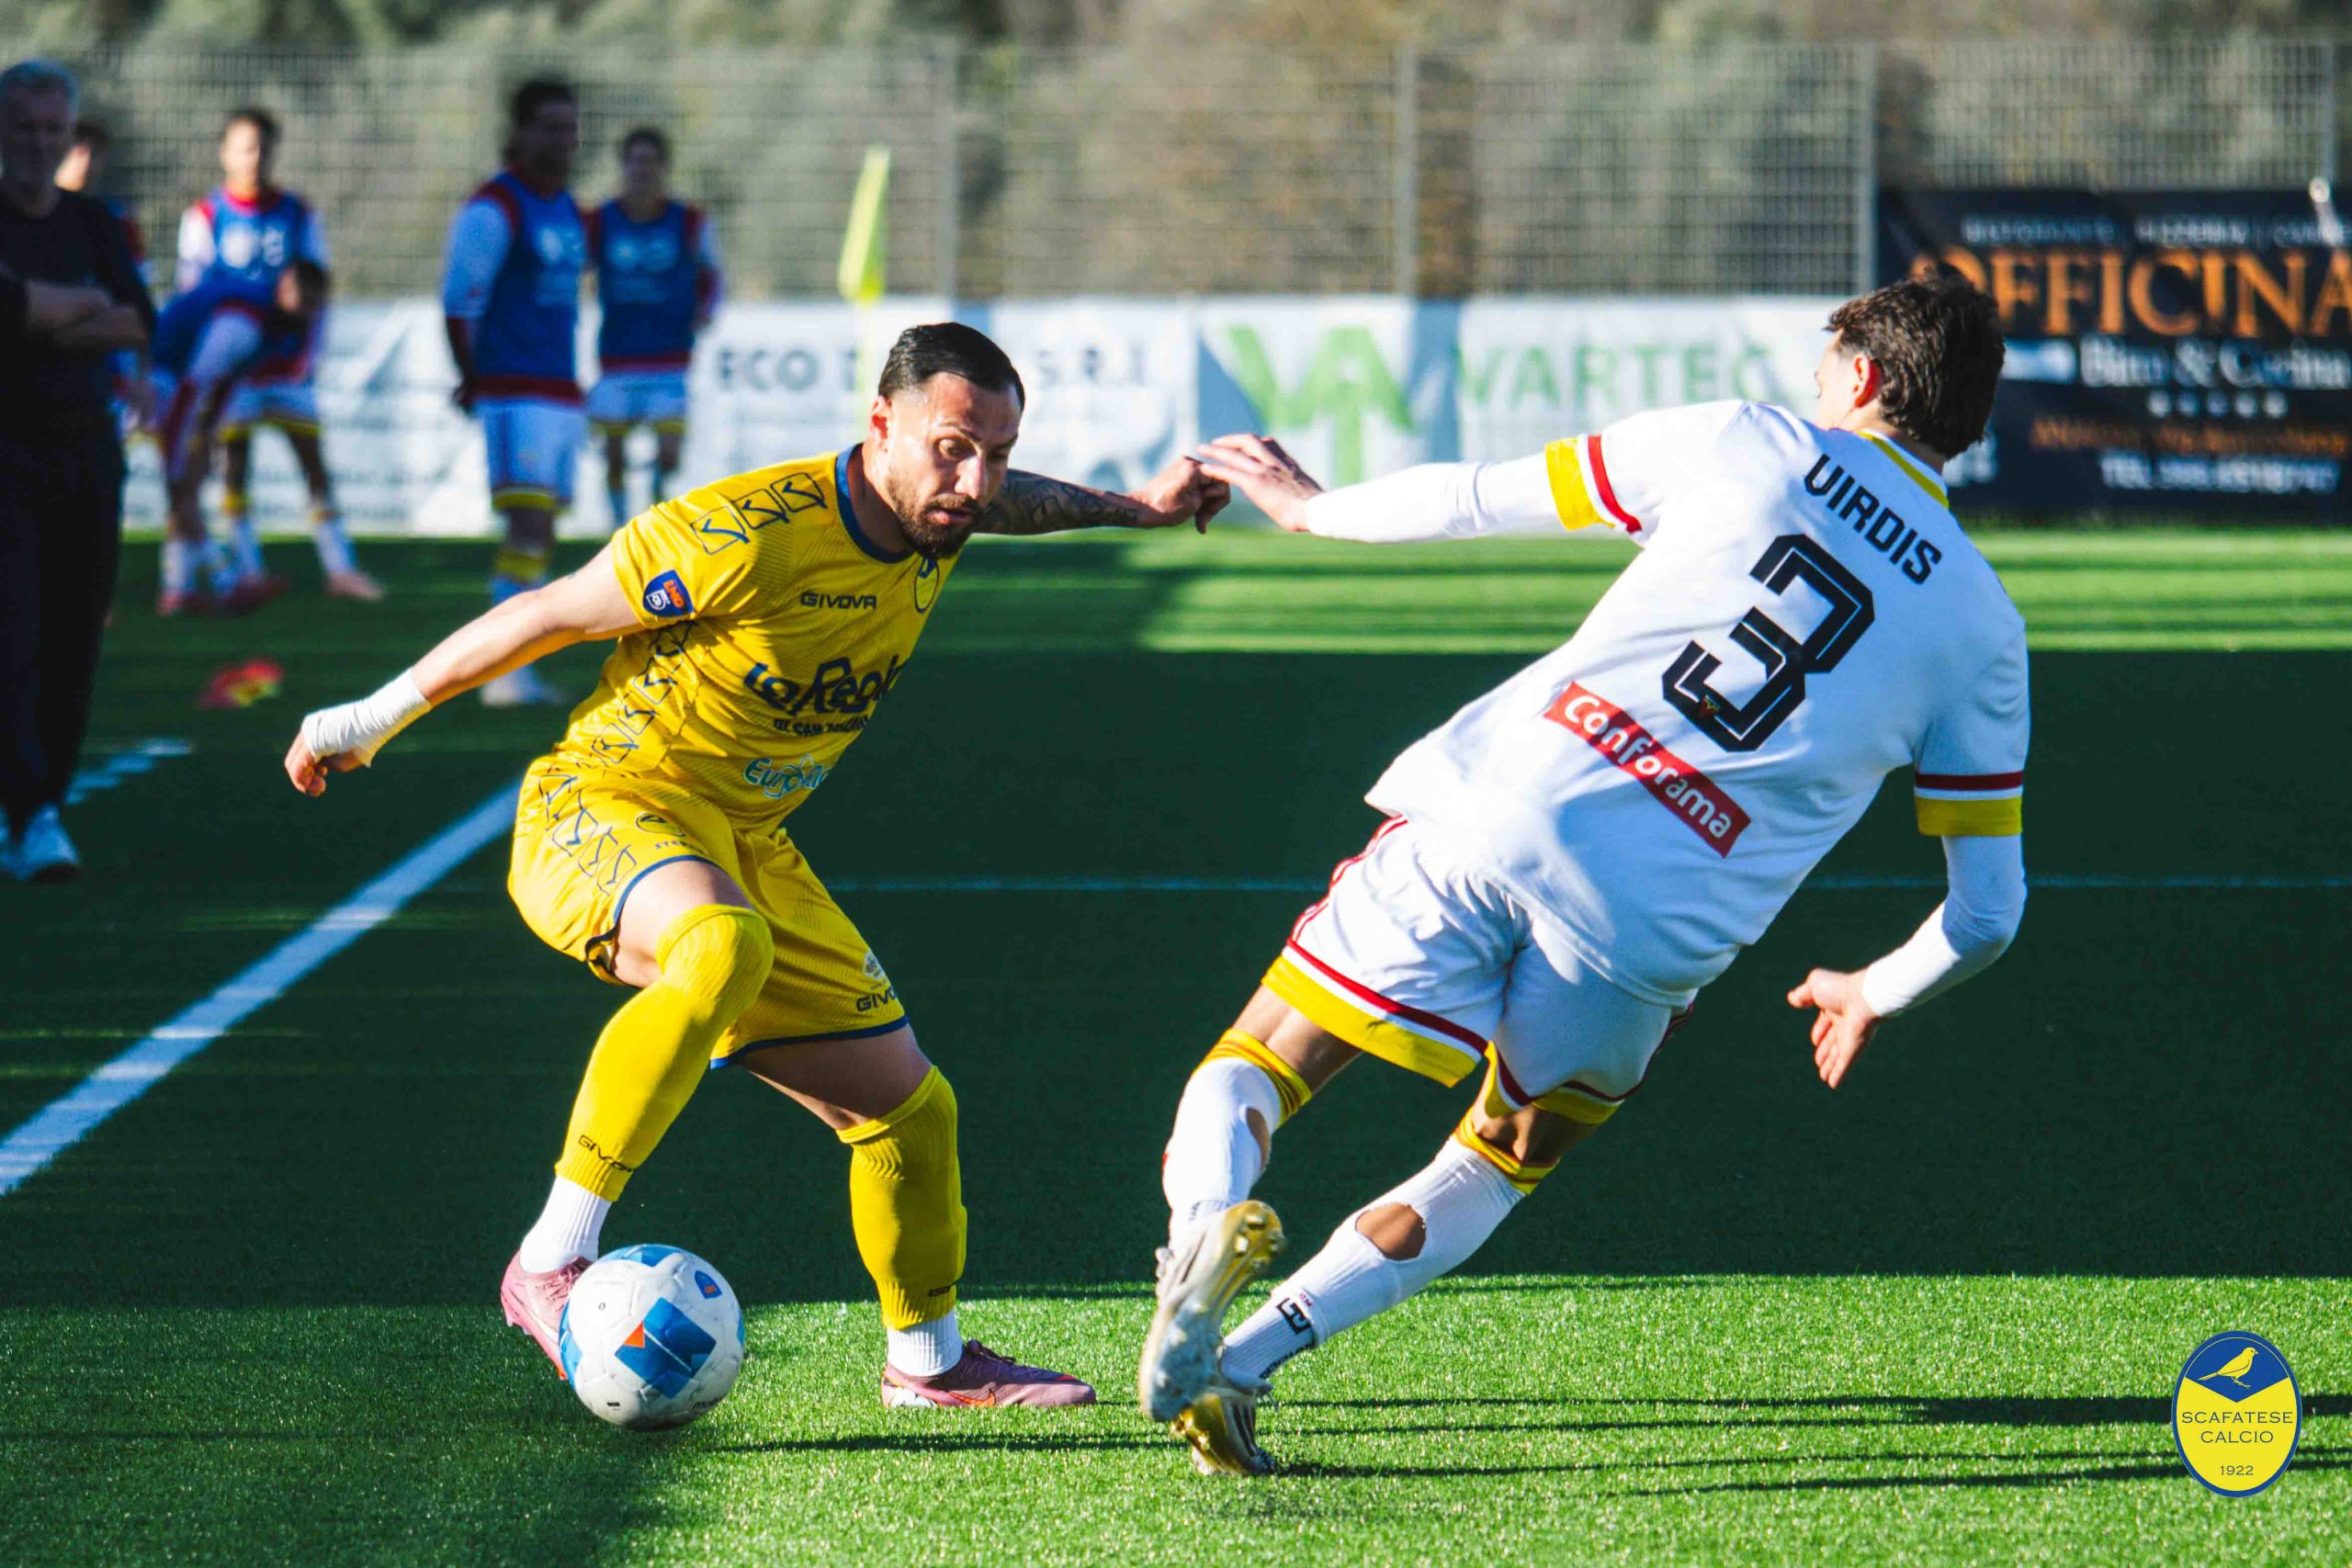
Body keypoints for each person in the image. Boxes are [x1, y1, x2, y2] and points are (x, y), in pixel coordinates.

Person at [1138, 274, 2026, 1475]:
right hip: (1648, 932)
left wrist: (1310, 509)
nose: (1813, 388)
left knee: (1264, 1057)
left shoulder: (1747, 440)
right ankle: (1244, 1363)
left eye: (1826, 369)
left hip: (1501, 811)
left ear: (1864, 375)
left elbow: (1475, 497)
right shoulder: (1983, 628)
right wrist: (1872, 989)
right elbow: (1987, 913)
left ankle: (1203, 1232)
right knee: (1494, 1162)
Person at [285, 322, 1227, 1409]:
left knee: (911, 1113)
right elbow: (548, 615)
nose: (975, 482)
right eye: (953, 449)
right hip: (605, 803)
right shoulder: (744, 532)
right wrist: (367, 718)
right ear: (880, 426)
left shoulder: (941, 512)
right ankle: (550, 1257)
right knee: (721, 944)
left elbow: (1004, 502)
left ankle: (927, 1365)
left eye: (996, 454)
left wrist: (1136, 507)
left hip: (742, 839)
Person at [0, 60, 154, 884]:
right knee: (13, 635)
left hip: (87, 456)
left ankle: (41, 803)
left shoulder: (95, 222)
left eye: (51, 128)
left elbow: (137, 321)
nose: (38, 142)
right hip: (7, 454)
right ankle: (32, 814)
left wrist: (38, 317)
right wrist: (78, 308)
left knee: (73, 642)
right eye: (23, 127)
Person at [175, 107, 378, 603]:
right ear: (225, 153)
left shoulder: (298, 214)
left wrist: (311, 357)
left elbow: (319, 289)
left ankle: (341, 569)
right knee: (233, 467)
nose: (254, 158)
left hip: (287, 369)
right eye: (245, 147)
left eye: (263, 147)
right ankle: (247, 568)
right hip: (234, 375)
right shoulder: (205, 216)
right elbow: (191, 295)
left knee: (314, 466)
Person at [441, 78, 587, 706]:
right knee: (526, 526)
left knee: (542, 532)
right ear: (521, 131)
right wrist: (475, 378)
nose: (562, 139)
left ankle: (515, 669)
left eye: (569, 127)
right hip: (515, 391)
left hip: (558, 389)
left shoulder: (567, 208)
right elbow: (458, 301)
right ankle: (501, 676)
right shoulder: (494, 207)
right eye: (550, 127)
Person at [150, 261, 330, 615]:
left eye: (316, 305)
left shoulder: (272, 324)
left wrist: (205, 435)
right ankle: (226, 583)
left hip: (173, 386)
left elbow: (227, 381)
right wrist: (179, 451)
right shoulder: (243, 323)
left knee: (186, 487)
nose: (310, 314)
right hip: (150, 380)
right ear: (284, 288)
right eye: (305, 302)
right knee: (181, 485)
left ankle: (178, 590)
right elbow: (193, 384)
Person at [586, 127, 722, 532]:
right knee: (613, 453)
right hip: (616, 357)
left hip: (669, 358)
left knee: (669, 454)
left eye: (650, 162)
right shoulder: (600, 220)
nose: (642, 170)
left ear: (663, 168)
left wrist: (705, 312)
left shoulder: (689, 220)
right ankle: (616, 526)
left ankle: (655, 512)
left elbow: (712, 273)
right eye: (635, 161)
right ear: (623, 166)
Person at [54, 118, 152, 434]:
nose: (84, 161)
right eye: (76, 150)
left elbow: (141, 308)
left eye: (93, 152)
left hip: (106, 378)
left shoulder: (117, 224)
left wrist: (142, 377)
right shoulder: (23, 219)